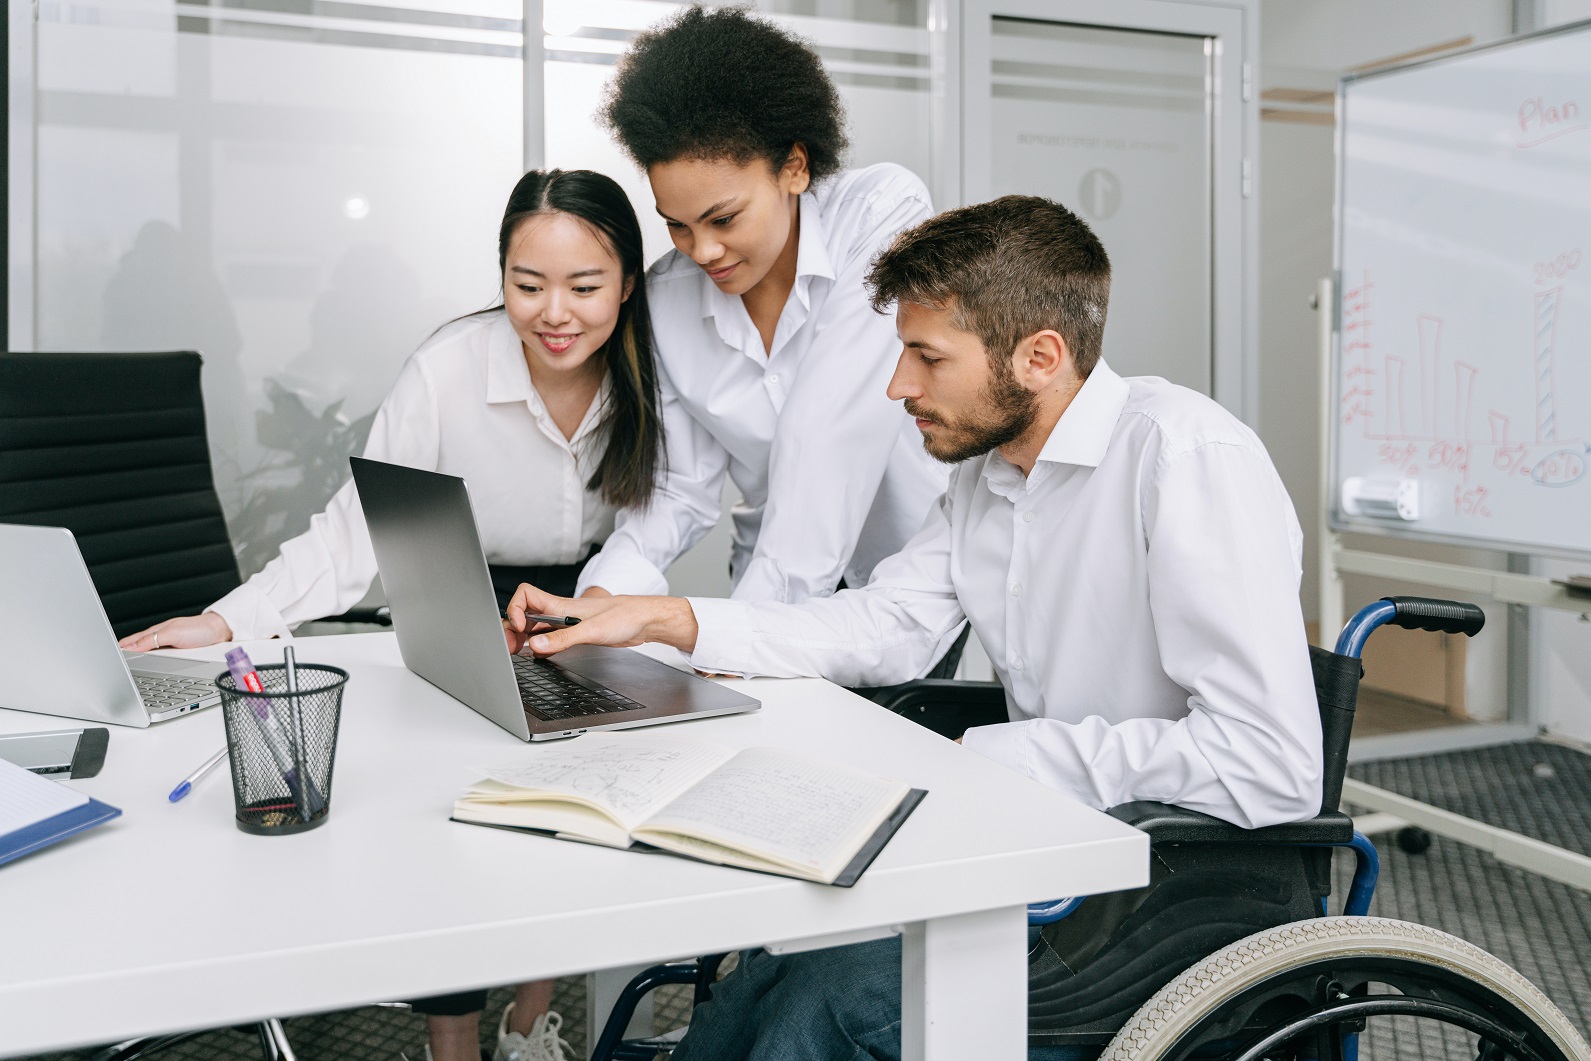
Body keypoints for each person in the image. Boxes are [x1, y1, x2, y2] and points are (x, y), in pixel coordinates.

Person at [502, 196, 1324, 1060]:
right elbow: (891, 621)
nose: (897, 386)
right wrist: (664, 619)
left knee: (821, 1010)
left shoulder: (1184, 458)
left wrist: (1017, 753)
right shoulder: (989, 476)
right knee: (774, 968)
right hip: (1052, 852)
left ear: (1039, 356)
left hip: (1175, 895)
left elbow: (1270, 765)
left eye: (926, 356)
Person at [121, 168, 667, 1061]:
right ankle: (448, 1039)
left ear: (629, 284)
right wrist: (225, 622)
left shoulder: (652, 374)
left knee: (576, 812)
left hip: (587, 603)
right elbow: (352, 537)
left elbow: (656, 521)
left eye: (584, 286)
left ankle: (533, 1016)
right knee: (453, 816)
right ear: (500, 278)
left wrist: (601, 611)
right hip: (458, 594)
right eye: (527, 286)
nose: (554, 312)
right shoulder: (448, 370)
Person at [575, 8, 954, 661]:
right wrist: (601, 600)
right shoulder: (666, 298)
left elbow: (826, 437)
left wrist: (734, 644)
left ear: (795, 167)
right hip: (761, 581)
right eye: (678, 225)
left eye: (723, 217)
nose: (704, 250)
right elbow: (677, 489)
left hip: (901, 587)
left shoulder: (880, 212)